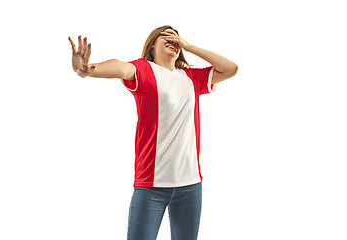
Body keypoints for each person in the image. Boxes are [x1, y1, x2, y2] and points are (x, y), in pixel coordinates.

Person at [68, 25, 238, 240]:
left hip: (191, 185)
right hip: (151, 185)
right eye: (165, 35)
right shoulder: (142, 70)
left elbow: (231, 69)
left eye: (175, 37)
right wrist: (84, 68)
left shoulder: (191, 77)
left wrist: (188, 45)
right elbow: (120, 68)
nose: (172, 39)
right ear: (151, 44)